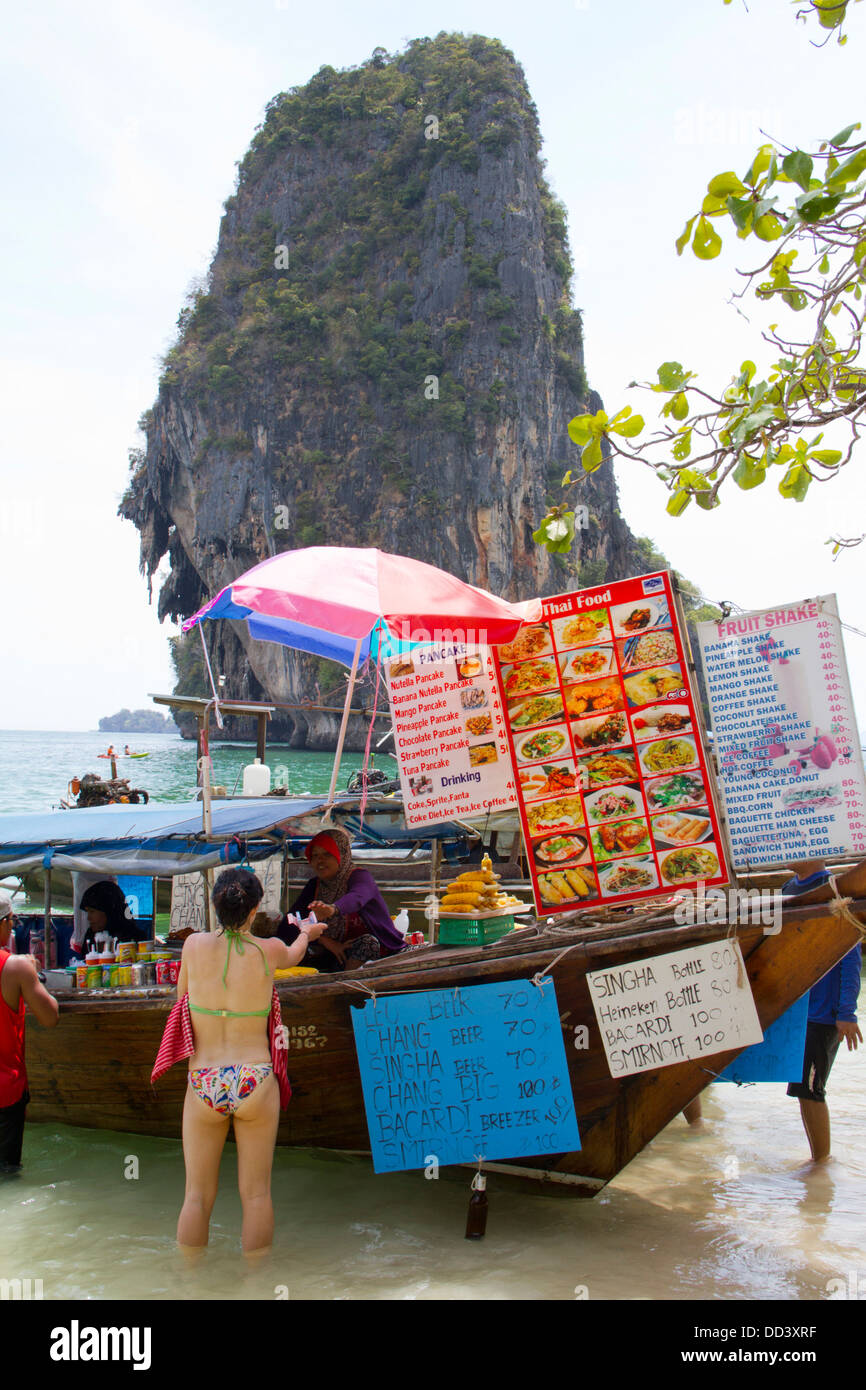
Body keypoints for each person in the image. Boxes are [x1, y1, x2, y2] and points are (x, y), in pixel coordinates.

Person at [175, 867, 327, 1254]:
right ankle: (256, 1285)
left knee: (195, 1197)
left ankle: (188, 1286)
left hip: (203, 1079)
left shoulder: (192, 947)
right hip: (254, 1079)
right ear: (256, 906)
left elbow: (180, 1003)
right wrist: (307, 933)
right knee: (257, 1195)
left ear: (214, 903)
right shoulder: (269, 950)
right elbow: (296, 952)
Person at [282, 827, 406, 971]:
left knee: (368, 943)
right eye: (315, 855)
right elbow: (289, 923)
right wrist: (323, 940)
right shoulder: (314, 886)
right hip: (332, 957)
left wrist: (333, 909)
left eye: (327, 854)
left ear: (342, 854)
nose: (319, 861)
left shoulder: (360, 877)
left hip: (376, 956)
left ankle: (350, 988)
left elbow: (357, 898)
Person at [0, 891, 60, 1173]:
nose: (13, 927)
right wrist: (32, 974)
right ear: (3, 923)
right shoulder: (16, 968)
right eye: (12, 921)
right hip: (5, 1093)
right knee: (7, 1174)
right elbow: (50, 1017)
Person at [786, 942, 862, 1163]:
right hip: (806, 1014)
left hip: (825, 1017)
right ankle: (818, 1161)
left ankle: (821, 1162)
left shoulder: (841, 917)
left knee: (811, 1090)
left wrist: (847, 1013)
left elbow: (852, 963)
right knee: (802, 1090)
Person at [75, 880, 144, 955]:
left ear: (109, 911)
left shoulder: (134, 937)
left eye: (92, 911)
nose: (89, 918)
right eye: (87, 912)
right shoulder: (91, 935)